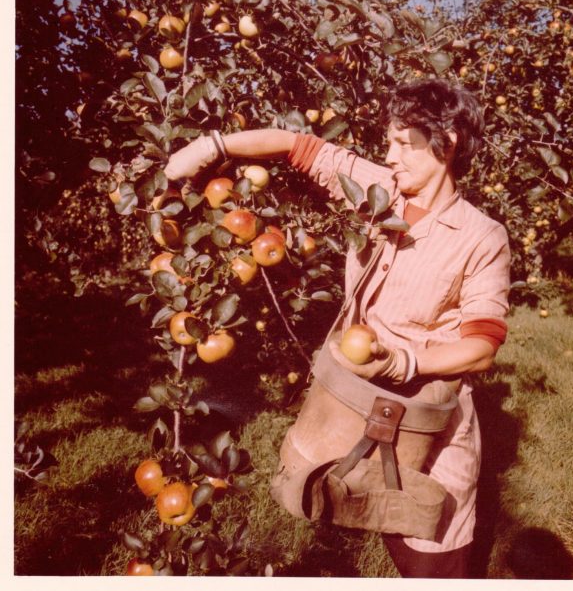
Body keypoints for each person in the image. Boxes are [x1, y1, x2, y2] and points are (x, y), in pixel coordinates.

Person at [164, 78, 511, 578]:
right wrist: (209, 146)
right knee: (345, 500)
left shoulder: (481, 236)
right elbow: (297, 146)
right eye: (386, 141)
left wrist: (408, 361)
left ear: (448, 141)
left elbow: (481, 346)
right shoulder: (376, 192)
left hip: (428, 418)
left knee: (431, 551)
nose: (388, 154)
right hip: (352, 399)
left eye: (402, 143)